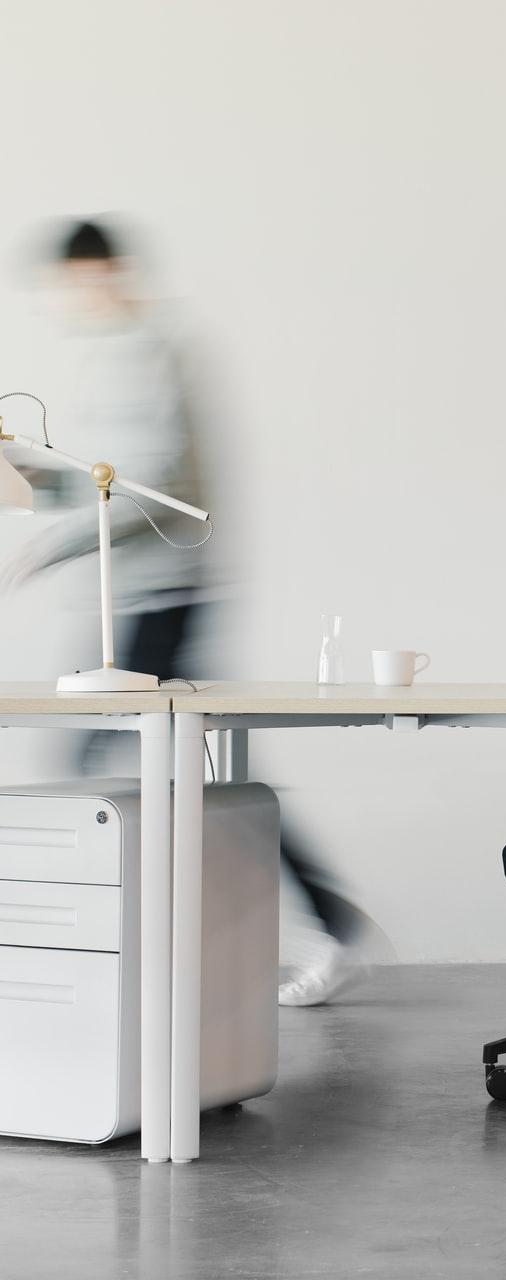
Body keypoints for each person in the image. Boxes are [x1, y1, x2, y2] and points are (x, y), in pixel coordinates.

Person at [0, 217, 380, 1006]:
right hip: (135, 596)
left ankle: (179, 946)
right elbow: (105, 480)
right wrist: (32, 479)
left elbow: (152, 485)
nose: (71, 297)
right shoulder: (114, 354)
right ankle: (310, 920)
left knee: (134, 769)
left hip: (161, 594)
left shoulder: (147, 350)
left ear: (104, 272)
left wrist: (56, 545)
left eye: (79, 280)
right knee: (176, 770)